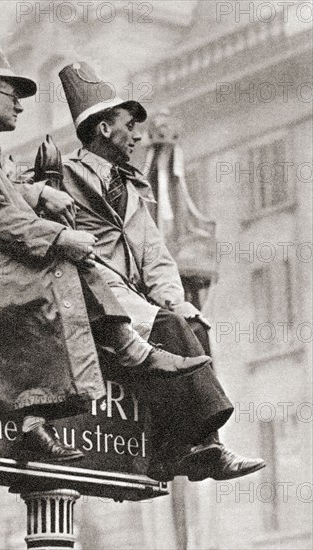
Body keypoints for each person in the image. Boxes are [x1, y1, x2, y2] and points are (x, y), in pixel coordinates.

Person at [0, 28, 231, 471]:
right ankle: (112, 360)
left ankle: (45, 416)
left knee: (65, 269)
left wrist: (38, 195)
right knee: (58, 266)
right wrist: (59, 236)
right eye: (13, 95)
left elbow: (9, 190)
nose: (19, 105)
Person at [58, 61, 266, 481]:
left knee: (193, 324)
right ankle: (202, 446)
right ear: (103, 129)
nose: (137, 136)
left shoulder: (133, 187)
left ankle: (195, 447)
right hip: (95, 304)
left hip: (133, 301)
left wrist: (178, 301)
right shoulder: (63, 176)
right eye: (129, 126)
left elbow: (156, 257)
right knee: (169, 326)